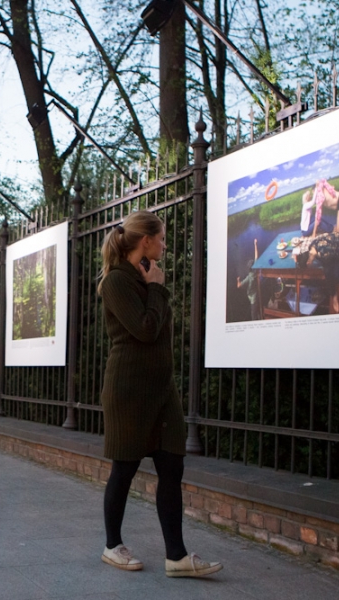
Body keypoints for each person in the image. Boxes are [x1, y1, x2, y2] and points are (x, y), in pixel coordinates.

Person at [97, 211, 222, 577]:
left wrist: (154, 285)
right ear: (145, 240)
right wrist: (156, 288)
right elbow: (146, 329)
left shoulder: (145, 277)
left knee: (172, 466)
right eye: (162, 238)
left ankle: (177, 556)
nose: (165, 244)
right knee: (125, 468)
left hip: (162, 391)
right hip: (129, 390)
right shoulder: (116, 282)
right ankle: (111, 545)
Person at [294, 233, 339, 314]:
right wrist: (298, 259)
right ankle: (333, 295)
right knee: (327, 271)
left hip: (338, 251)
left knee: (338, 273)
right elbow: (308, 255)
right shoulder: (312, 246)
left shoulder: (324, 253)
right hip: (328, 251)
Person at [235, 238, 261, 320]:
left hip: (253, 299)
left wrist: (238, 280)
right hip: (258, 294)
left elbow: (239, 286)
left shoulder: (249, 278)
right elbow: (256, 255)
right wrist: (255, 244)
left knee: (253, 314)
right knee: (257, 311)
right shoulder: (255, 270)